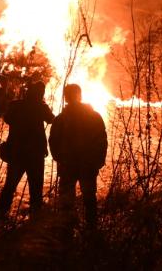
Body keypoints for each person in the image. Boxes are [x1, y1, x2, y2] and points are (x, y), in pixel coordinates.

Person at [49, 83, 107, 228]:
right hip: (87, 165)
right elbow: (102, 140)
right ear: (80, 96)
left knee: (67, 201)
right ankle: (91, 230)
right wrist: (98, 161)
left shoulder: (60, 119)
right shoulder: (94, 116)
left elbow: (53, 142)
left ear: (66, 97)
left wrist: (60, 159)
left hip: (68, 165)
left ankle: (66, 232)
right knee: (89, 200)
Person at [0, 81, 55, 220]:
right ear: (40, 94)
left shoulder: (15, 105)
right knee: (36, 186)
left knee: (10, 184)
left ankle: (1, 212)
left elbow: (7, 119)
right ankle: (35, 214)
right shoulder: (41, 107)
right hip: (35, 154)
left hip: (17, 152)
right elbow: (52, 120)